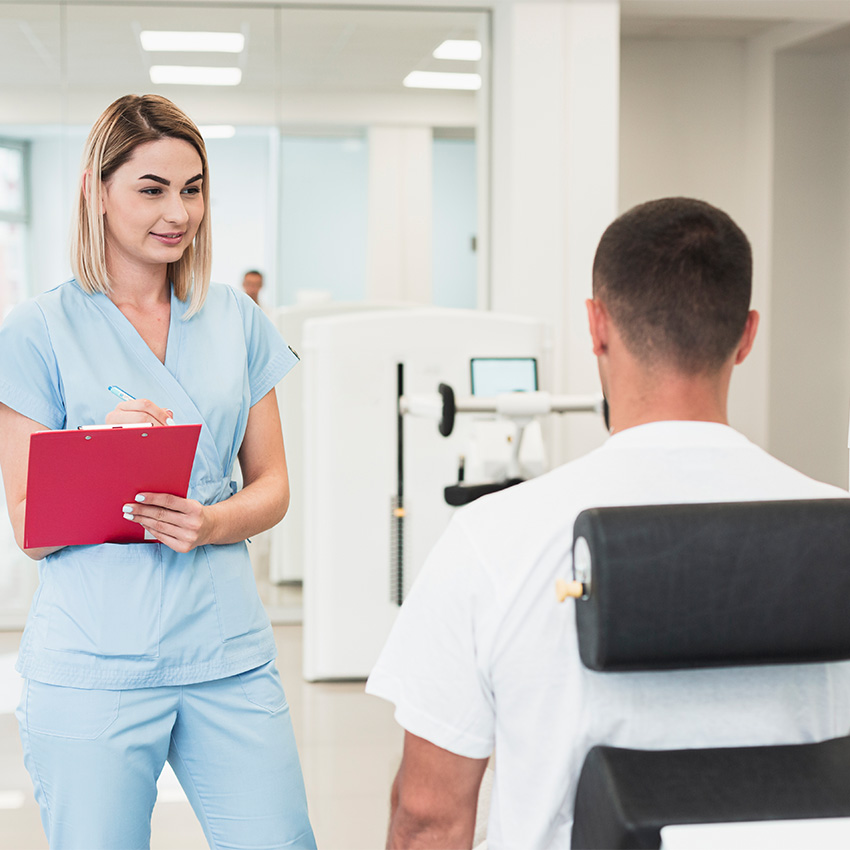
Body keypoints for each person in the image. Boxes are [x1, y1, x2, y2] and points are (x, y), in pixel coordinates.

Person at [365, 197, 850, 848]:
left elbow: (428, 815)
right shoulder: (836, 531)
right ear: (748, 335)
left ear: (596, 327)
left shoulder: (491, 541)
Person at [0, 95, 315, 849]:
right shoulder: (37, 330)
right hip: (92, 663)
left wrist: (212, 524)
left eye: (193, 187)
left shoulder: (237, 319)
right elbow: (29, 527)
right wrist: (100, 459)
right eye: (152, 188)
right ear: (95, 191)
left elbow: (272, 485)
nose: (178, 211)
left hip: (226, 654)